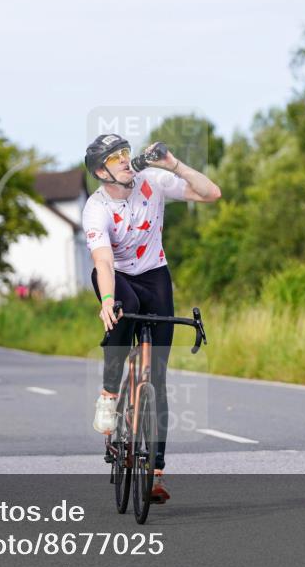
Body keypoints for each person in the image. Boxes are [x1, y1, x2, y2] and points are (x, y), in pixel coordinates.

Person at [82, 134, 221, 503]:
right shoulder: (96, 209)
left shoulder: (152, 182)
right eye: (116, 158)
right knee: (121, 314)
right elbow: (103, 262)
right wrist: (108, 300)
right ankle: (110, 395)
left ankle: (155, 471)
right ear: (101, 171)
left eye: (127, 153)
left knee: (156, 377)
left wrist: (173, 164)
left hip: (154, 273)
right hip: (118, 276)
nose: (126, 161)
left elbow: (211, 193)